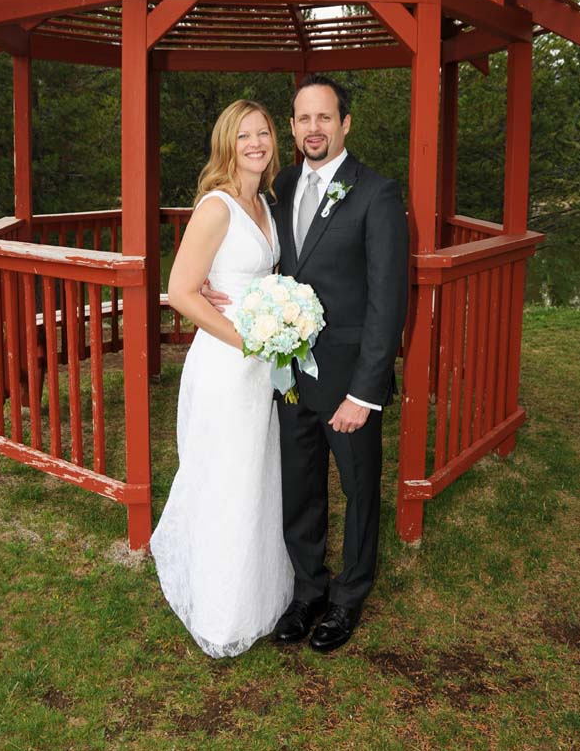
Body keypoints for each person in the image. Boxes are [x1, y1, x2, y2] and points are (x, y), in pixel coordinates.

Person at [205, 75, 409, 653]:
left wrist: (365, 393)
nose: (313, 128)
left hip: (348, 382)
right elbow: (267, 269)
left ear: (345, 124)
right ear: (292, 127)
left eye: (325, 117)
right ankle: (308, 590)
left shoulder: (377, 193)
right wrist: (235, 300)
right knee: (299, 488)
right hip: (287, 375)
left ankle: (349, 597)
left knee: (360, 490)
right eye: (302, 119)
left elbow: (387, 301)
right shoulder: (282, 185)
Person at [150, 99, 294, 658]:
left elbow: (261, 274)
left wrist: (280, 316)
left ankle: (257, 590)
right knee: (225, 477)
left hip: (261, 366)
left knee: (256, 475)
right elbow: (182, 292)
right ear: (226, 144)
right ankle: (221, 610)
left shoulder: (263, 202)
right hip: (226, 365)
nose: (256, 143)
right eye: (244, 135)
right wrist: (247, 340)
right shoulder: (216, 207)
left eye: (263, 133)